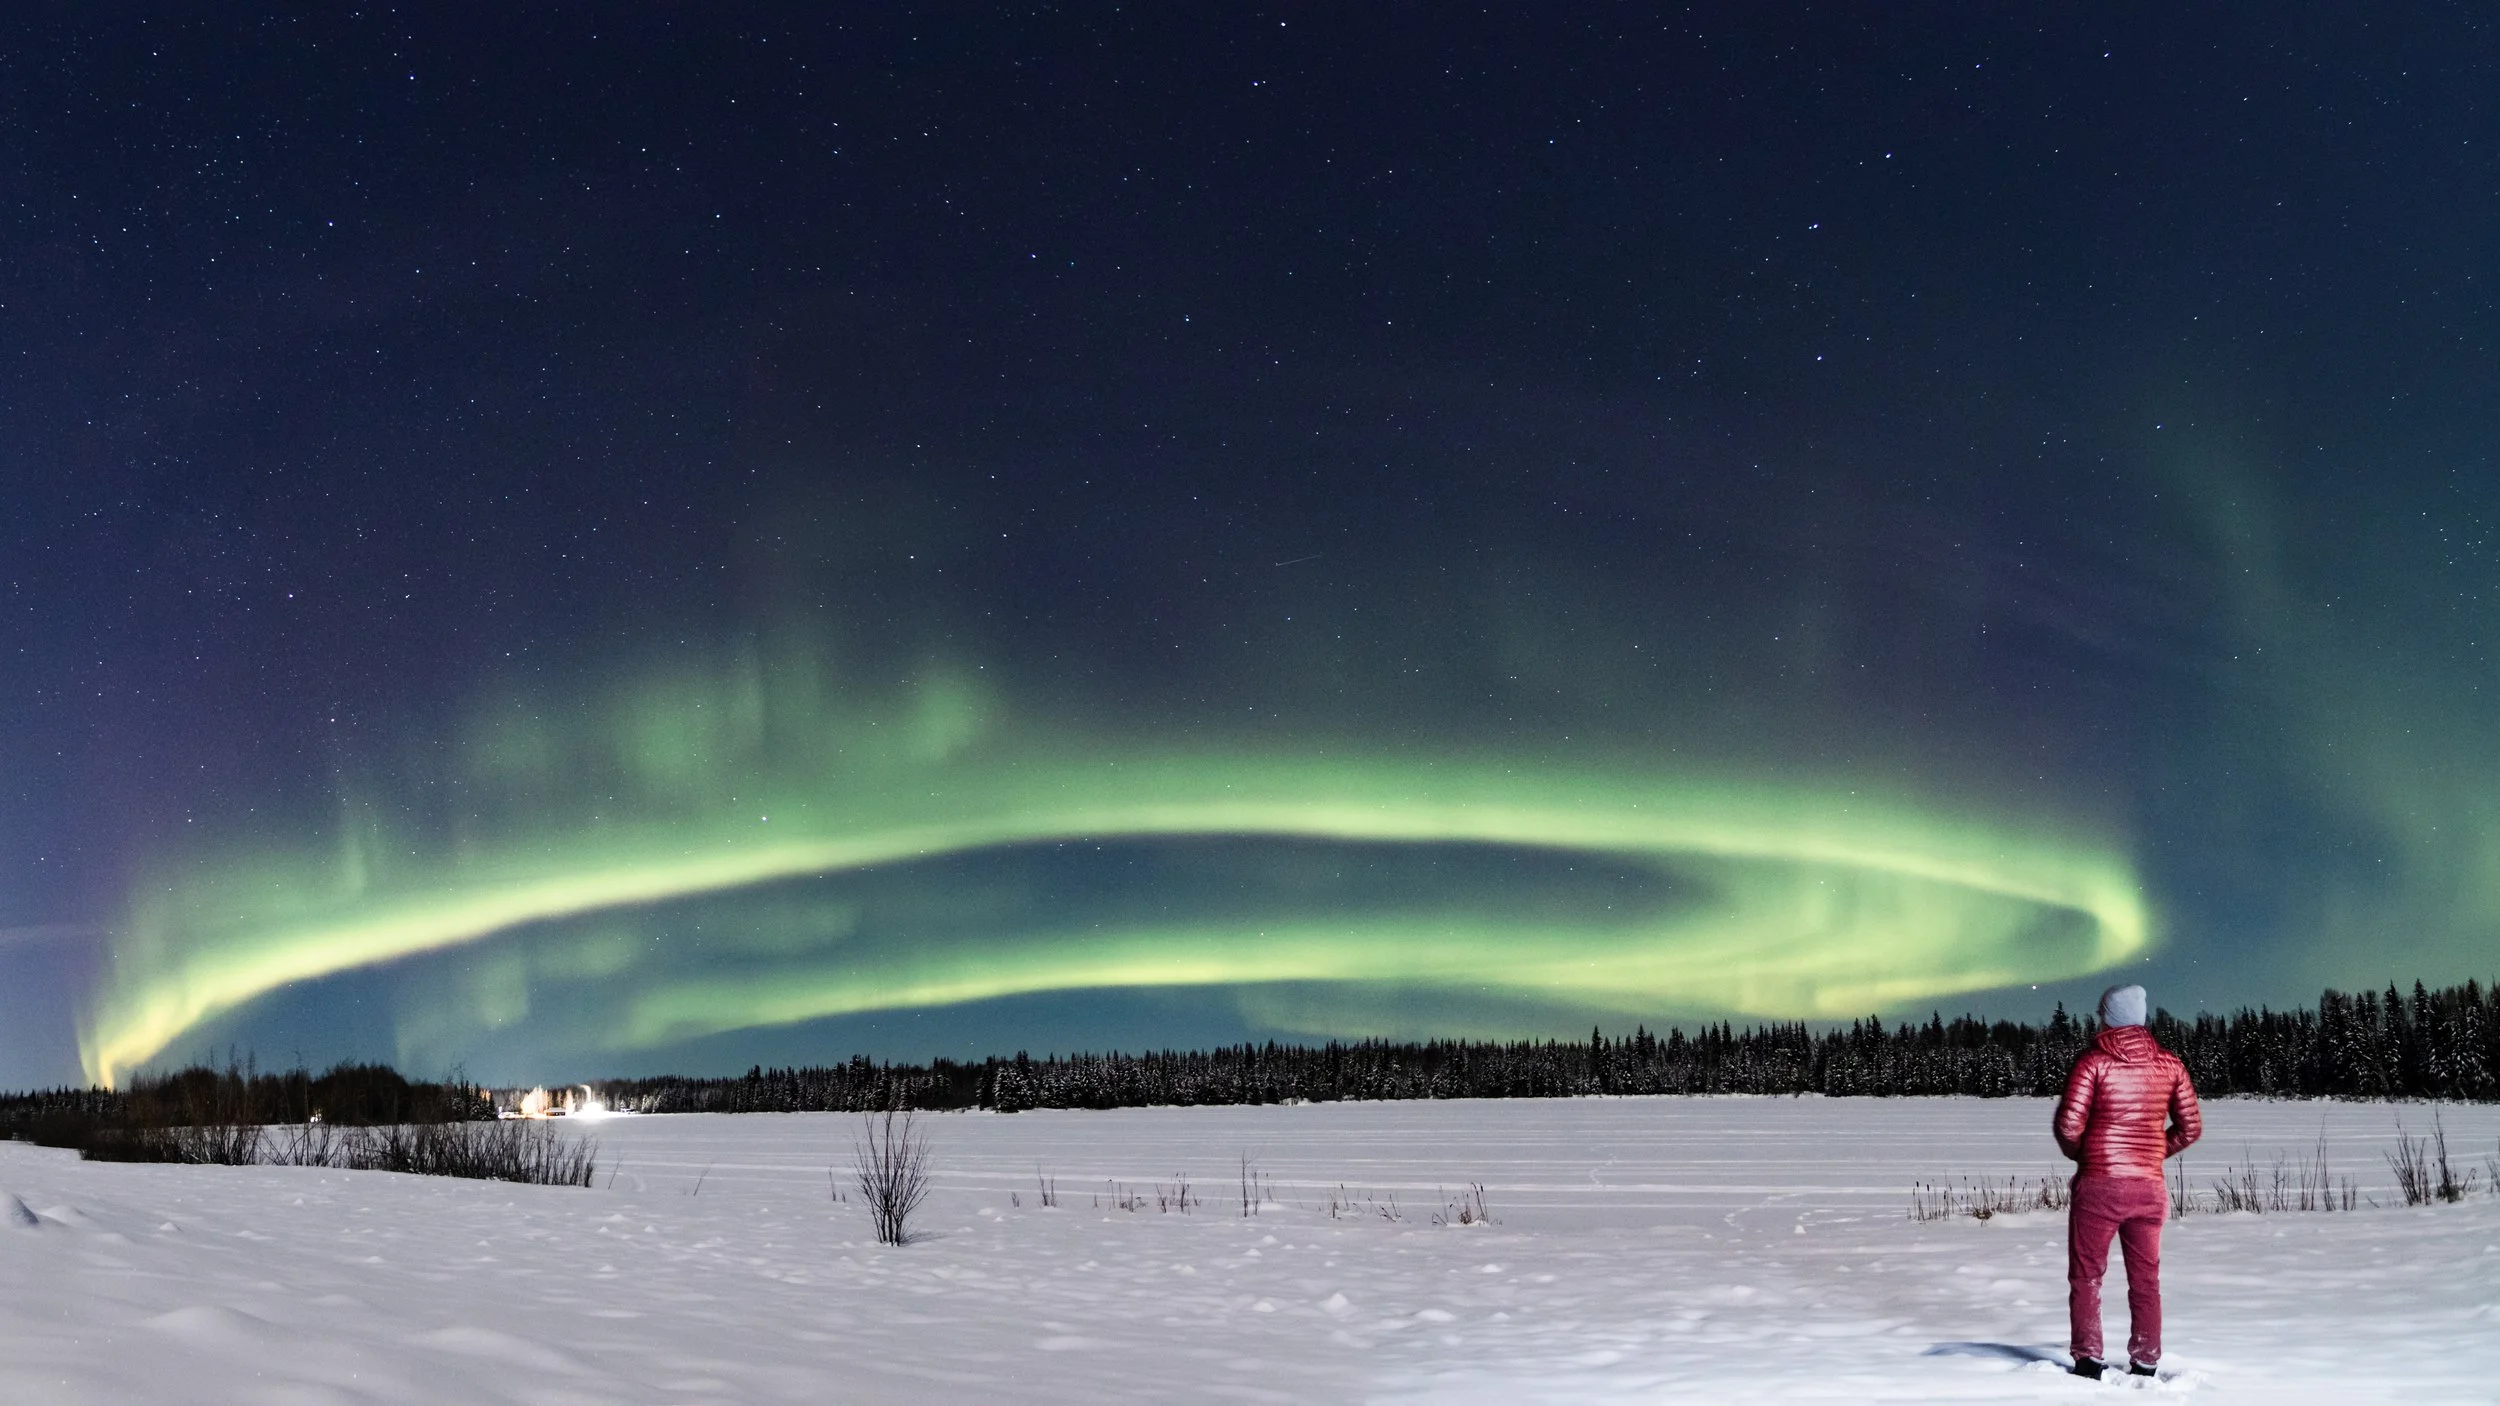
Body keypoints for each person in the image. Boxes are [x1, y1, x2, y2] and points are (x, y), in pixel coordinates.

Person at [2052, 983, 2201, 1380]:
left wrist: (2086, 1155)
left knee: (2087, 1275)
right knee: (2146, 1278)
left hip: (2099, 1186)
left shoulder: (2093, 1063)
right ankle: (2146, 1360)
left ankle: (2088, 1359)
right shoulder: (2170, 1065)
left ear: (2110, 1017)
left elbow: (2069, 1124)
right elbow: (2191, 1128)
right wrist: (2151, 1153)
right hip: (2148, 1189)